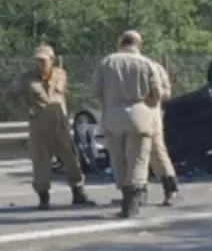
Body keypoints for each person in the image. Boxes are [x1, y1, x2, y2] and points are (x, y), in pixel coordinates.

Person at [9, 45, 94, 209]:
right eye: (38, 60)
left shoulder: (60, 75)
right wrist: (25, 109)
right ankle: (43, 197)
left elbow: (63, 96)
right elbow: (10, 95)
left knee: (71, 159)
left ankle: (79, 193)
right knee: (40, 161)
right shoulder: (26, 79)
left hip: (60, 125)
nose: (40, 63)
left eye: (44, 60)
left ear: (52, 60)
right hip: (40, 125)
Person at [92, 30, 163, 218]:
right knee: (138, 160)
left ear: (120, 43)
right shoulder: (146, 63)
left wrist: (109, 102)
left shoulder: (106, 62)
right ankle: (132, 202)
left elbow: (96, 90)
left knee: (118, 159)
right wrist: (147, 104)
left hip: (112, 116)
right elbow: (157, 93)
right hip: (139, 115)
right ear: (138, 44)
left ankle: (124, 194)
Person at [148, 58, 179, 206]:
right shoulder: (154, 66)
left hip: (149, 113)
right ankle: (136, 192)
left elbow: (165, 92)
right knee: (155, 152)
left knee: (157, 152)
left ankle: (170, 187)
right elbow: (166, 92)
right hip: (149, 114)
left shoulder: (152, 66)